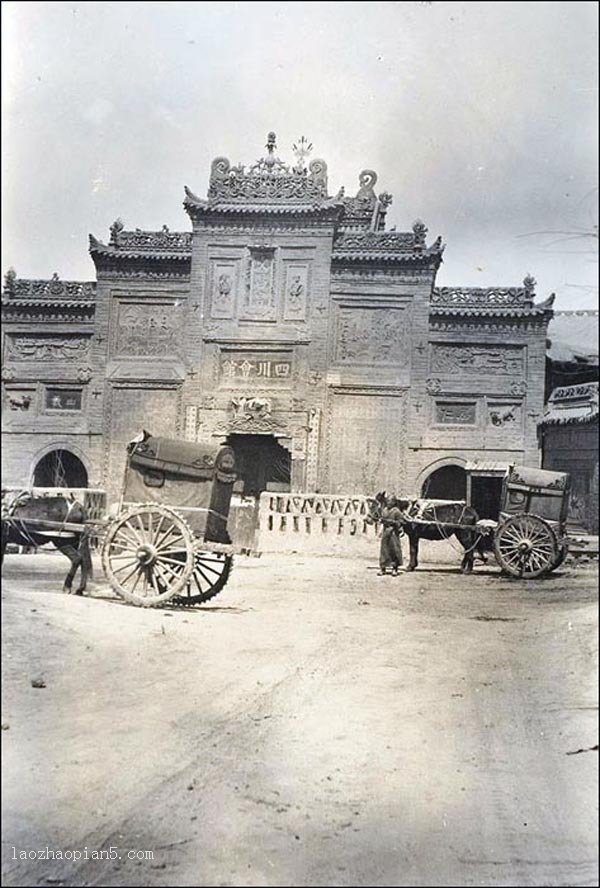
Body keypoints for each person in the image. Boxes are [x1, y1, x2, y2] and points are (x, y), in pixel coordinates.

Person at [378, 494, 404, 576]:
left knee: (394, 550)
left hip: (393, 533)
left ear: (394, 502)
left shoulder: (396, 511)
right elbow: (381, 519)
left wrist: (393, 522)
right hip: (385, 531)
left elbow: (401, 522)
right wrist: (382, 521)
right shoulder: (384, 510)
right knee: (384, 550)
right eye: (387, 501)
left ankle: (394, 569)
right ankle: (383, 568)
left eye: (390, 501)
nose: (388, 503)